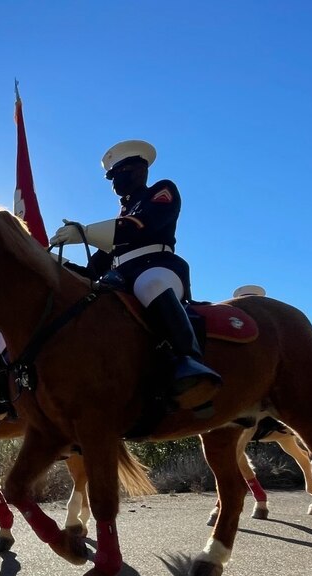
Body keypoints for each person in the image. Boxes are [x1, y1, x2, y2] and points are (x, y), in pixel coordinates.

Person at [49, 139, 221, 411]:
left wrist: (85, 232)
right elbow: (92, 271)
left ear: (141, 169)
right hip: (120, 276)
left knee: (150, 285)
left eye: (121, 172)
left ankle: (188, 362)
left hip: (159, 266)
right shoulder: (121, 217)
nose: (116, 180)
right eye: (112, 176)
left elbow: (143, 226)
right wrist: (53, 263)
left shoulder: (161, 191)